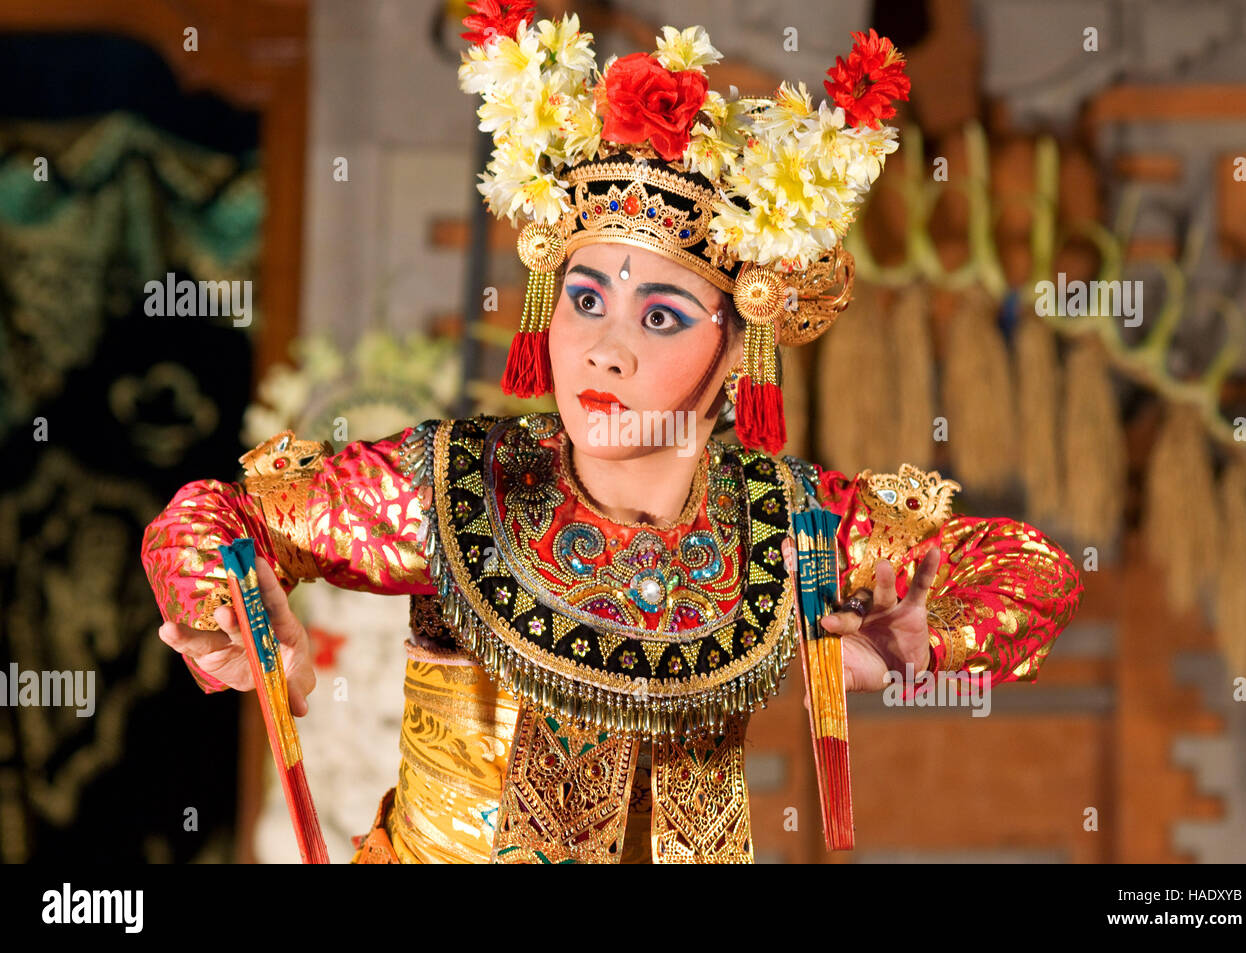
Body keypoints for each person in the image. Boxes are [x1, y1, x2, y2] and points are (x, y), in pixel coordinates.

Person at [141, 8, 1084, 864]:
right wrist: (231, 604)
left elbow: (1028, 573)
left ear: (737, 344)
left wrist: (932, 638)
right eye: (586, 300)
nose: (606, 351)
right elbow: (214, 519)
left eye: (663, 317)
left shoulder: (784, 527)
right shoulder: (459, 488)